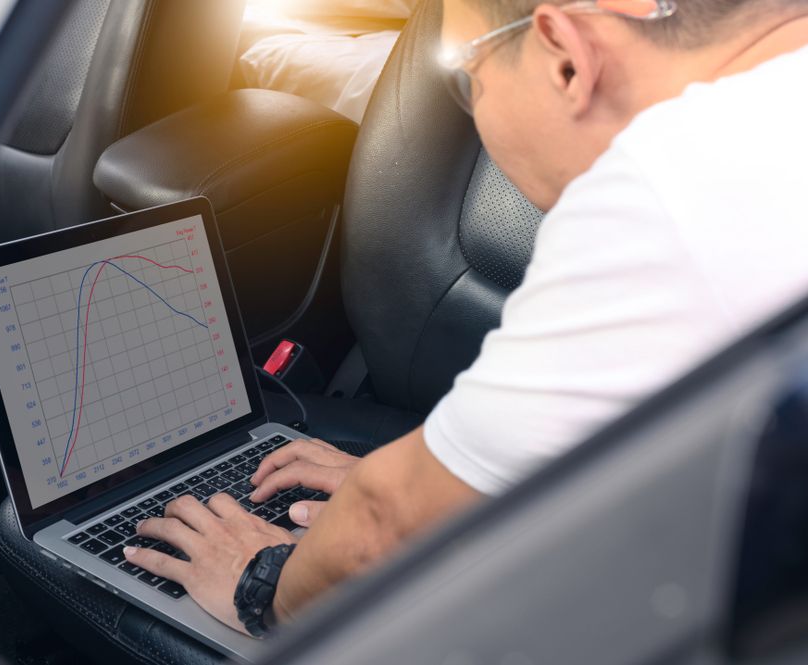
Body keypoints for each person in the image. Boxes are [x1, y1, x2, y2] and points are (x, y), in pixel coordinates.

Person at [123, 0, 808, 636]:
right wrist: (441, 474)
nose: (470, 105)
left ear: (565, 56)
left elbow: (378, 532)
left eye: (463, 77)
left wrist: (258, 584)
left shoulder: (667, 190)